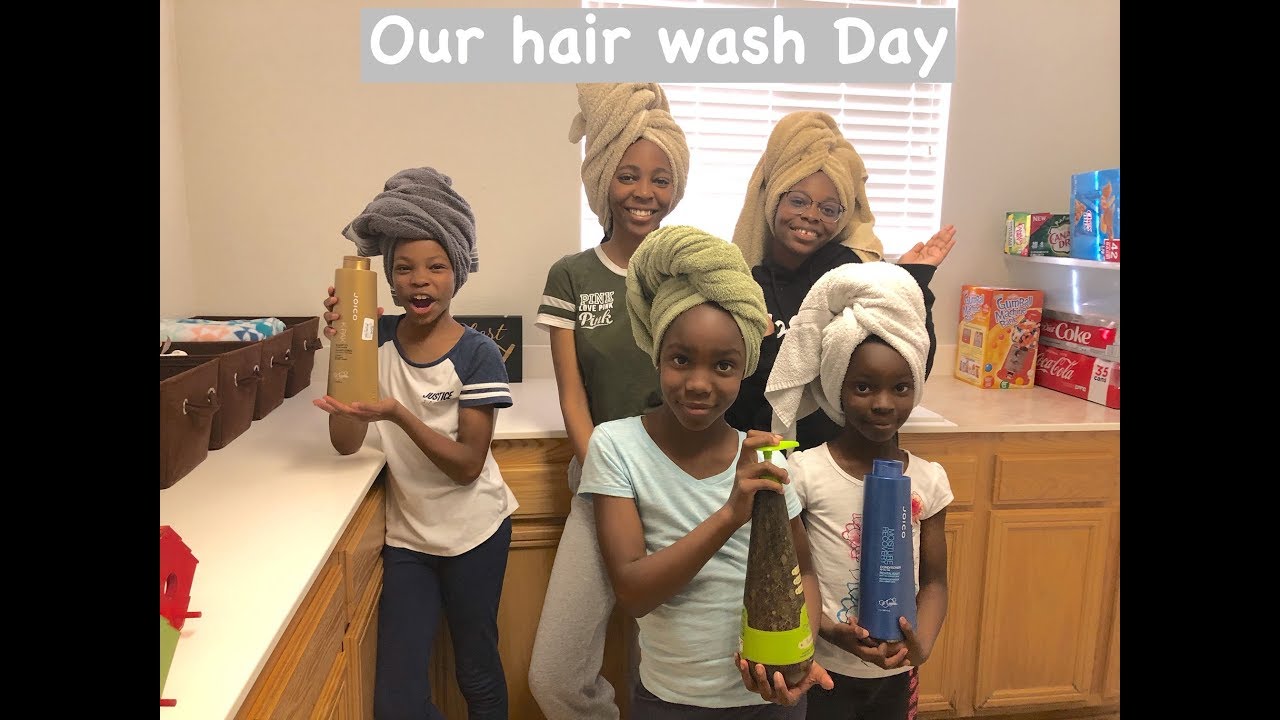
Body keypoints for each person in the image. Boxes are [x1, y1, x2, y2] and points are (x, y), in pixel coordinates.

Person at [579, 225, 835, 718]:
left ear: (744, 369)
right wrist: (729, 514)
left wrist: (801, 652)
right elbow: (633, 592)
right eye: (680, 360)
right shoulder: (616, 447)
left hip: (769, 698)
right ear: (656, 355)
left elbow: (802, 569)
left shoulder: (765, 459)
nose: (698, 383)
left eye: (723, 366)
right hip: (671, 699)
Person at [314, 166, 516, 720]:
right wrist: (341, 348)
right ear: (388, 277)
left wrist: (399, 415)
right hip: (409, 541)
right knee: (396, 698)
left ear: (457, 273)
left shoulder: (479, 355)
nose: (419, 280)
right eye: (403, 268)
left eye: (435, 266)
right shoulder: (372, 341)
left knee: (476, 669)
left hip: (476, 533)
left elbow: (469, 466)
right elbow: (344, 442)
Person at [529, 83, 691, 720]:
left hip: (680, 484)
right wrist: (603, 475)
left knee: (658, 667)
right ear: (602, 179)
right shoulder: (572, 275)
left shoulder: (689, 269)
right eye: (628, 175)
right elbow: (572, 392)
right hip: (599, 481)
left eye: (659, 178)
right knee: (557, 675)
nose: (644, 194)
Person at [741, 261, 953, 720]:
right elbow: (798, 577)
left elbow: (935, 581)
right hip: (823, 669)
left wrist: (924, 643)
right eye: (862, 387)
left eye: (900, 387)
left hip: (897, 672)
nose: (882, 402)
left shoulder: (930, 481)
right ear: (837, 388)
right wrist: (828, 631)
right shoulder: (805, 473)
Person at [725, 110, 957, 450]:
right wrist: (760, 351)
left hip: (846, 460)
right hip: (772, 457)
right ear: (774, 199)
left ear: (842, 215)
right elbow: (737, 396)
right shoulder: (746, 288)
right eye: (798, 201)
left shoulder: (853, 276)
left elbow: (909, 367)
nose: (811, 215)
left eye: (829, 208)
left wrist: (911, 284)